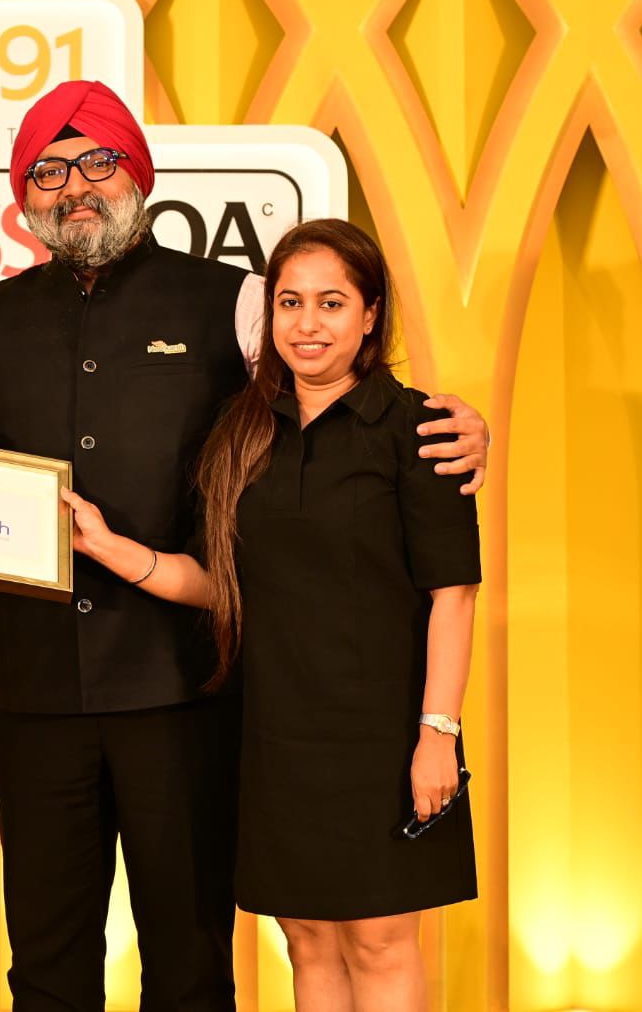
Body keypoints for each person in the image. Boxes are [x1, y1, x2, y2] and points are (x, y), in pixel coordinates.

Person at [0, 81, 488, 1009]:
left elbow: (331, 407)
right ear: (24, 196)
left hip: (188, 688)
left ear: (137, 173)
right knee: (45, 963)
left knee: (189, 963)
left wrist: (458, 428)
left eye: (97, 161)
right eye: (48, 171)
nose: (75, 186)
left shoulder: (240, 302)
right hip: (29, 687)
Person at [63, 218, 480, 1011]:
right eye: (291, 303)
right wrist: (111, 548)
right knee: (309, 941)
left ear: (370, 314)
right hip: (273, 733)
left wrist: (438, 735)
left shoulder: (421, 428)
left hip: (387, 734)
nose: (308, 323)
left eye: (332, 302)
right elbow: (220, 584)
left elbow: (453, 595)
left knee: (380, 942)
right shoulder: (243, 433)